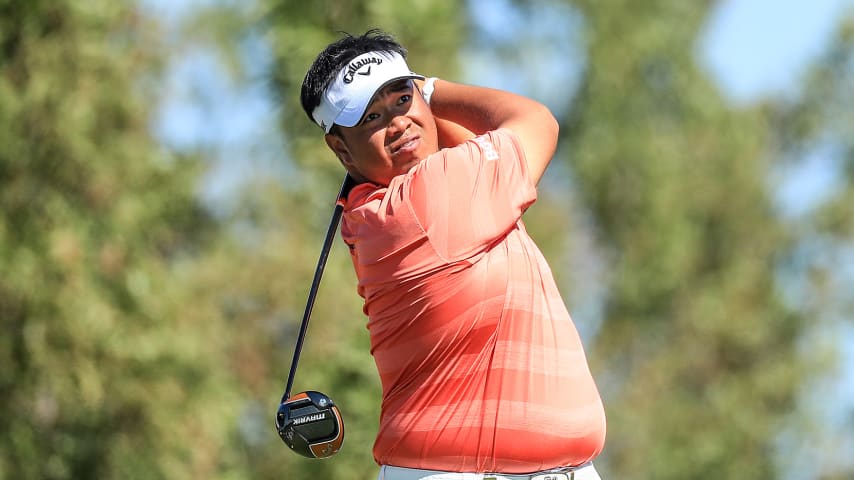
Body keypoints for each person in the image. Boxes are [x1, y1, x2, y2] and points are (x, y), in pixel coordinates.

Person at [300, 29, 607, 480]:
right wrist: (430, 91)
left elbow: (460, 138)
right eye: (371, 117)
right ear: (340, 148)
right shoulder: (425, 203)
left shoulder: (380, 211)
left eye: (401, 99)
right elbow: (535, 121)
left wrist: (418, 104)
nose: (398, 122)